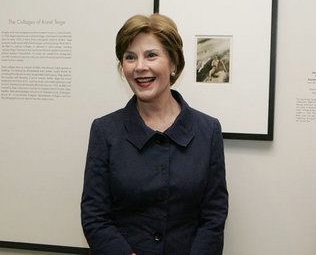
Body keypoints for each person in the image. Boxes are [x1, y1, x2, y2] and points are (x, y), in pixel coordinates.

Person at [81, 14, 228, 255]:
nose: (140, 67)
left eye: (151, 55)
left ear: (173, 63)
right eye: (130, 57)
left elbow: (213, 217)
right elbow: (95, 217)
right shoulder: (104, 131)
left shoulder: (208, 130)